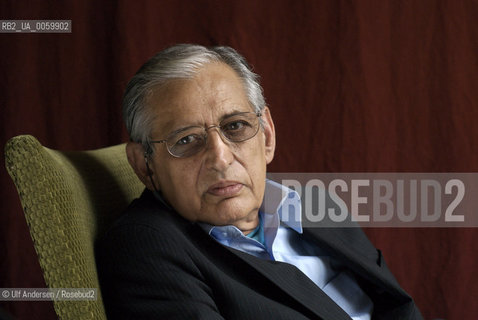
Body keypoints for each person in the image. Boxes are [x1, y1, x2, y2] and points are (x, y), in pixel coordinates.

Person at [96, 44, 423, 319]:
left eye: (235, 126)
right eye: (186, 140)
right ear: (145, 166)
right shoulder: (147, 247)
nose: (220, 159)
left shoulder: (316, 203)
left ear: (266, 135)